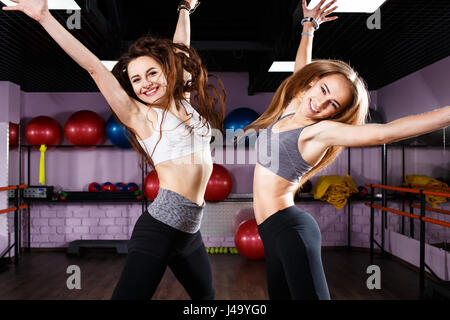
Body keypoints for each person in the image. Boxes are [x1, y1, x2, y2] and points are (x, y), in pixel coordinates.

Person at [4, 0, 226, 300]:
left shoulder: (183, 99)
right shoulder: (140, 115)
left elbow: (180, 48)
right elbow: (94, 67)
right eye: (135, 80)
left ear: (167, 70)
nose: (144, 84)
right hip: (159, 228)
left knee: (207, 301)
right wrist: (45, 18)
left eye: (151, 73)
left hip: (189, 232)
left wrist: (185, 7)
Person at [241, 0, 450, 300]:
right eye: (323, 90)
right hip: (270, 232)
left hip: (290, 231)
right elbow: (301, 71)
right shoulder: (294, 106)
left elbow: (384, 133)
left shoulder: (319, 131)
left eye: (333, 105)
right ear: (314, 82)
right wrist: (308, 27)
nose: (321, 103)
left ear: (335, 114)